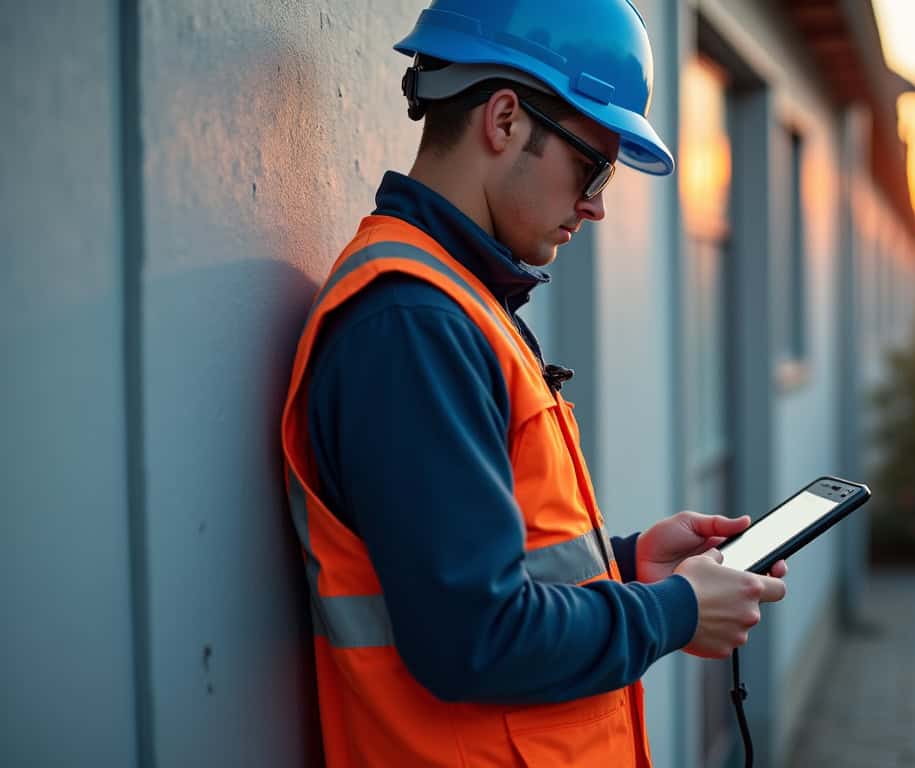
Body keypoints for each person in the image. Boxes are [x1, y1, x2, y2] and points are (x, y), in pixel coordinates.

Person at [279, 2, 788, 765]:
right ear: (506, 119)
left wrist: (628, 562)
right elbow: (474, 639)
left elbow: (480, 575)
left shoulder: (456, 302)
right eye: (593, 164)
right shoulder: (414, 326)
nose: (597, 204)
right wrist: (670, 613)